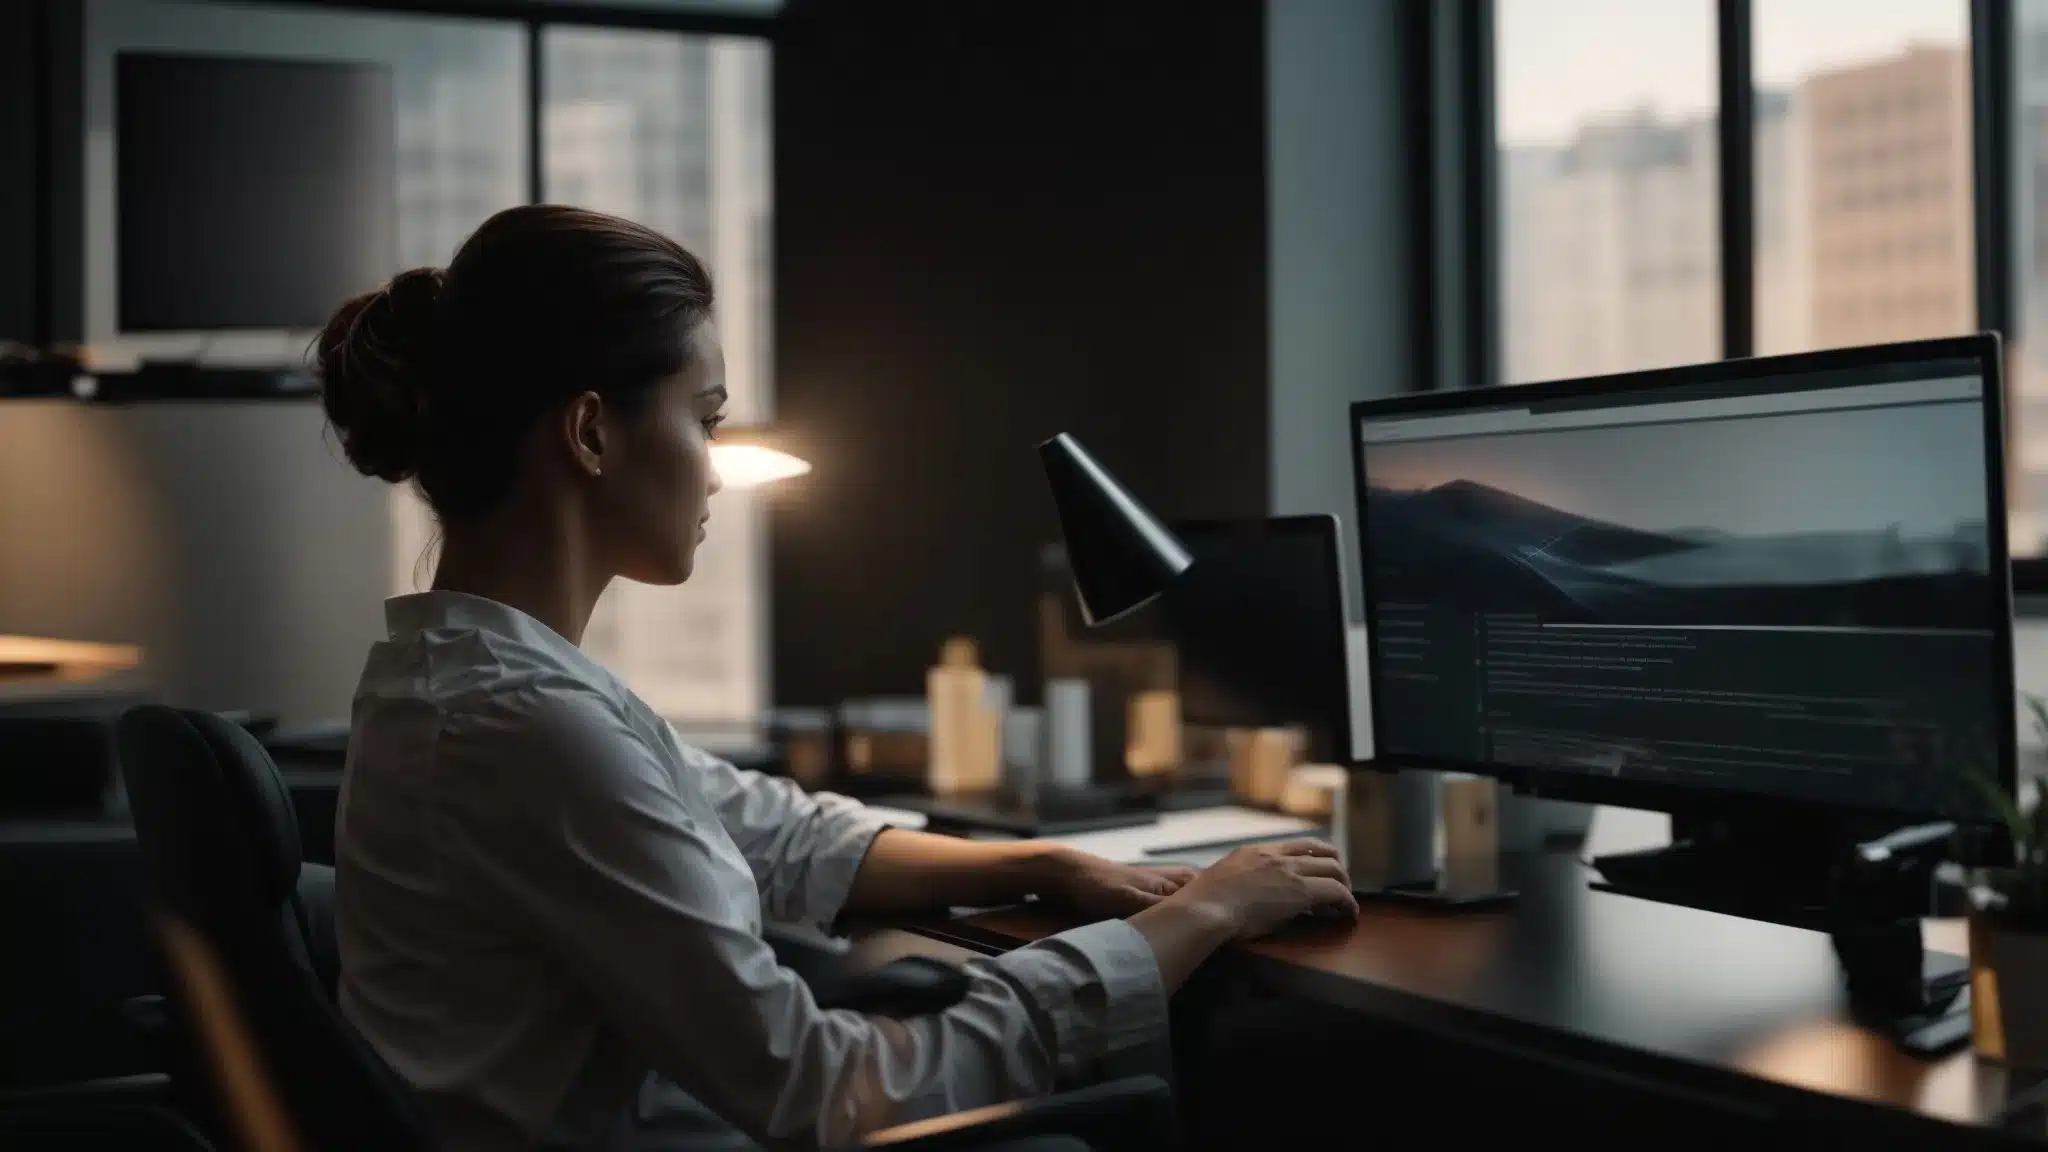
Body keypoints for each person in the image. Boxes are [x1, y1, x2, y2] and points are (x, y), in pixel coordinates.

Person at [318, 204, 1357, 1152]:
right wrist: (1195, 919)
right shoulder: (523, 723)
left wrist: (1034, 862)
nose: (716, 465)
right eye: (706, 417)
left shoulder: (454, 679)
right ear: (590, 433)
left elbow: (761, 826)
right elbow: (829, 1093)